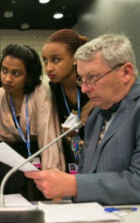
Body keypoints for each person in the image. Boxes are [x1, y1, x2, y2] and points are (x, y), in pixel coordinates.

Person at [26, 33, 140, 205]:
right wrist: (63, 193)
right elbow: (87, 174)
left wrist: (73, 186)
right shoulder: (96, 115)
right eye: (81, 79)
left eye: (92, 77)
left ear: (125, 72)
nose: (85, 88)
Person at [0, 44, 65, 200]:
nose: (7, 78)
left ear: (29, 75)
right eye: (4, 71)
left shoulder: (41, 91)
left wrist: (53, 182)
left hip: (46, 154)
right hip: (14, 163)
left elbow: (49, 139)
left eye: (16, 73)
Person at [42, 29, 92, 173]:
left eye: (56, 60)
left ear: (75, 58)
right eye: (45, 60)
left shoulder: (94, 88)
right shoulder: (52, 89)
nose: (48, 68)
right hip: (70, 162)